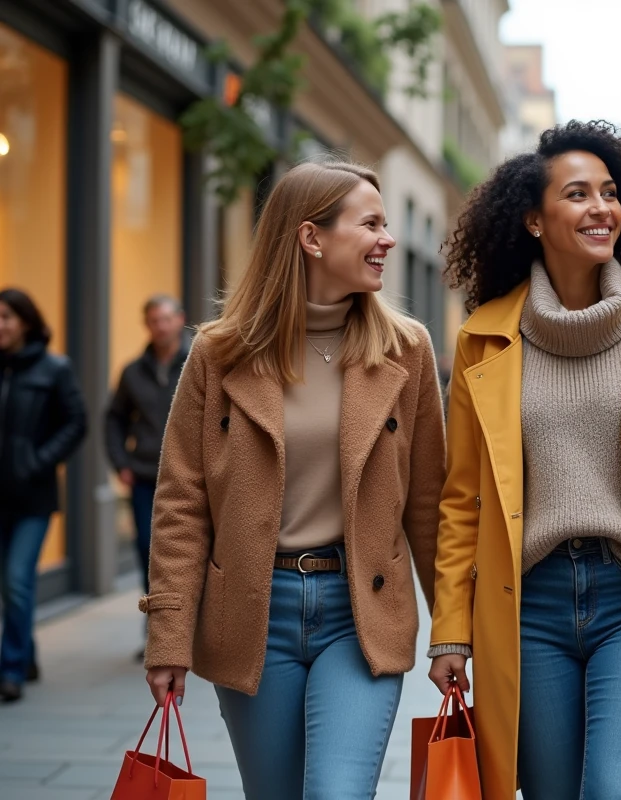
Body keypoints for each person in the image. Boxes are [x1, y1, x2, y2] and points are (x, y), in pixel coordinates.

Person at [428, 120, 621, 800]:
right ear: (534, 220)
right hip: (526, 605)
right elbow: (461, 500)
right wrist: (449, 631)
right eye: (578, 194)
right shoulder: (483, 340)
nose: (602, 208)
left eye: (610, 192)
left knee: (616, 790)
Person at [140, 161, 446, 799]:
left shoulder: (406, 350)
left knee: (337, 792)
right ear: (312, 237)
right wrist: (168, 635)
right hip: (253, 612)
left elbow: (428, 503)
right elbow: (182, 503)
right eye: (370, 224)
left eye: (387, 224)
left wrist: (455, 629)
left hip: (360, 612)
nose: (388, 239)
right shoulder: (219, 353)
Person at [0, 288, 87, 703]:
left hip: (32, 497)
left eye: (6, 316)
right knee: (9, 584)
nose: (0, 325)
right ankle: (26, 655)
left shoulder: (55, 368)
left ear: (26, 322)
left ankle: (11, 669)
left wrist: (38, 461)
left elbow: (76, 423)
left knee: (17, 580)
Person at [105, 295, 189, 652]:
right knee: (148, 552)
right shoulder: (133, 371)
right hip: (144, 476)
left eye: (166, 319)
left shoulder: (198, 362)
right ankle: (159, 633)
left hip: (190, 477)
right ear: (147, 325)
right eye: (154, 320)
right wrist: (121, 462)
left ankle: (190, 629)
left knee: (191, 551)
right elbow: (113, 418)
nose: (161, 327)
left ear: (179, 320)